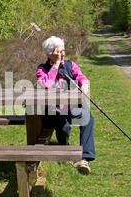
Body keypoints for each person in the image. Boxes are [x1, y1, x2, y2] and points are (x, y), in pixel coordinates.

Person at [36, 36, 95, 174]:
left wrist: (85, 85)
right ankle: (65, 149)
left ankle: (85, 158)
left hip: (70, 108)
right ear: (50, 54)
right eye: (58, 52)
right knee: (64, 127)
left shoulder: (70, 65)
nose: (62, 54)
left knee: (87, 117)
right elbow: (46, 85)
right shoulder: (42, 69)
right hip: (51, 111)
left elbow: (81, 77)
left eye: (63, 50)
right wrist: (55, 66)